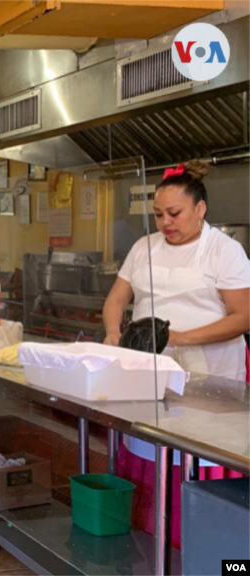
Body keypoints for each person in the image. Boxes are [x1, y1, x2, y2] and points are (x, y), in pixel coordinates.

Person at [103, 160, 250, 547]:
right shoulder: (143, 248)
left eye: (174, 213)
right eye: (158, 215)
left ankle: (207, 545)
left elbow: (243, 318)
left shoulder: (224, 251)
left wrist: (178, 339)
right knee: (152, 444)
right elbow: (116, 300)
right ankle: (153, 539)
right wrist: (113, 332)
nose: (165, 222)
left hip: (211, 377)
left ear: (200, 209)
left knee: (199, 454)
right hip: (149, 373)